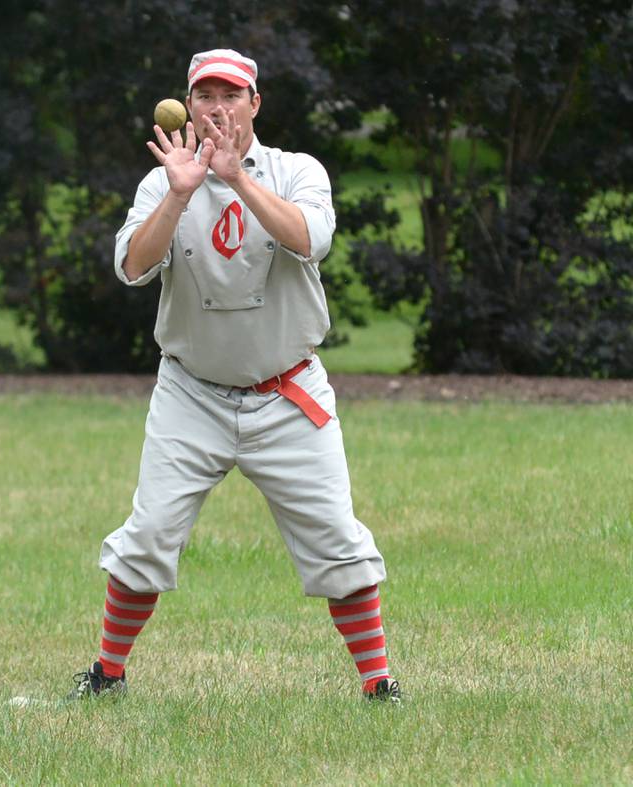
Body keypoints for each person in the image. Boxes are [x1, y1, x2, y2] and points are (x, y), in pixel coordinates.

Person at [67, 49, 400, 703]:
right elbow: (133, 267)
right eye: (204, 97)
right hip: (192, 391)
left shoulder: (296, 171)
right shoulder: (163, 181)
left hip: (288, 389)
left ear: (255, 104)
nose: (217, 108)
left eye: (231, 96)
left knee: (337, 541)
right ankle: (107, 674)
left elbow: (311, 239)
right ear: (187, 107)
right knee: (150, 533)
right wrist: (181, 191)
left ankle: (378, 684)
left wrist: (238, 181)